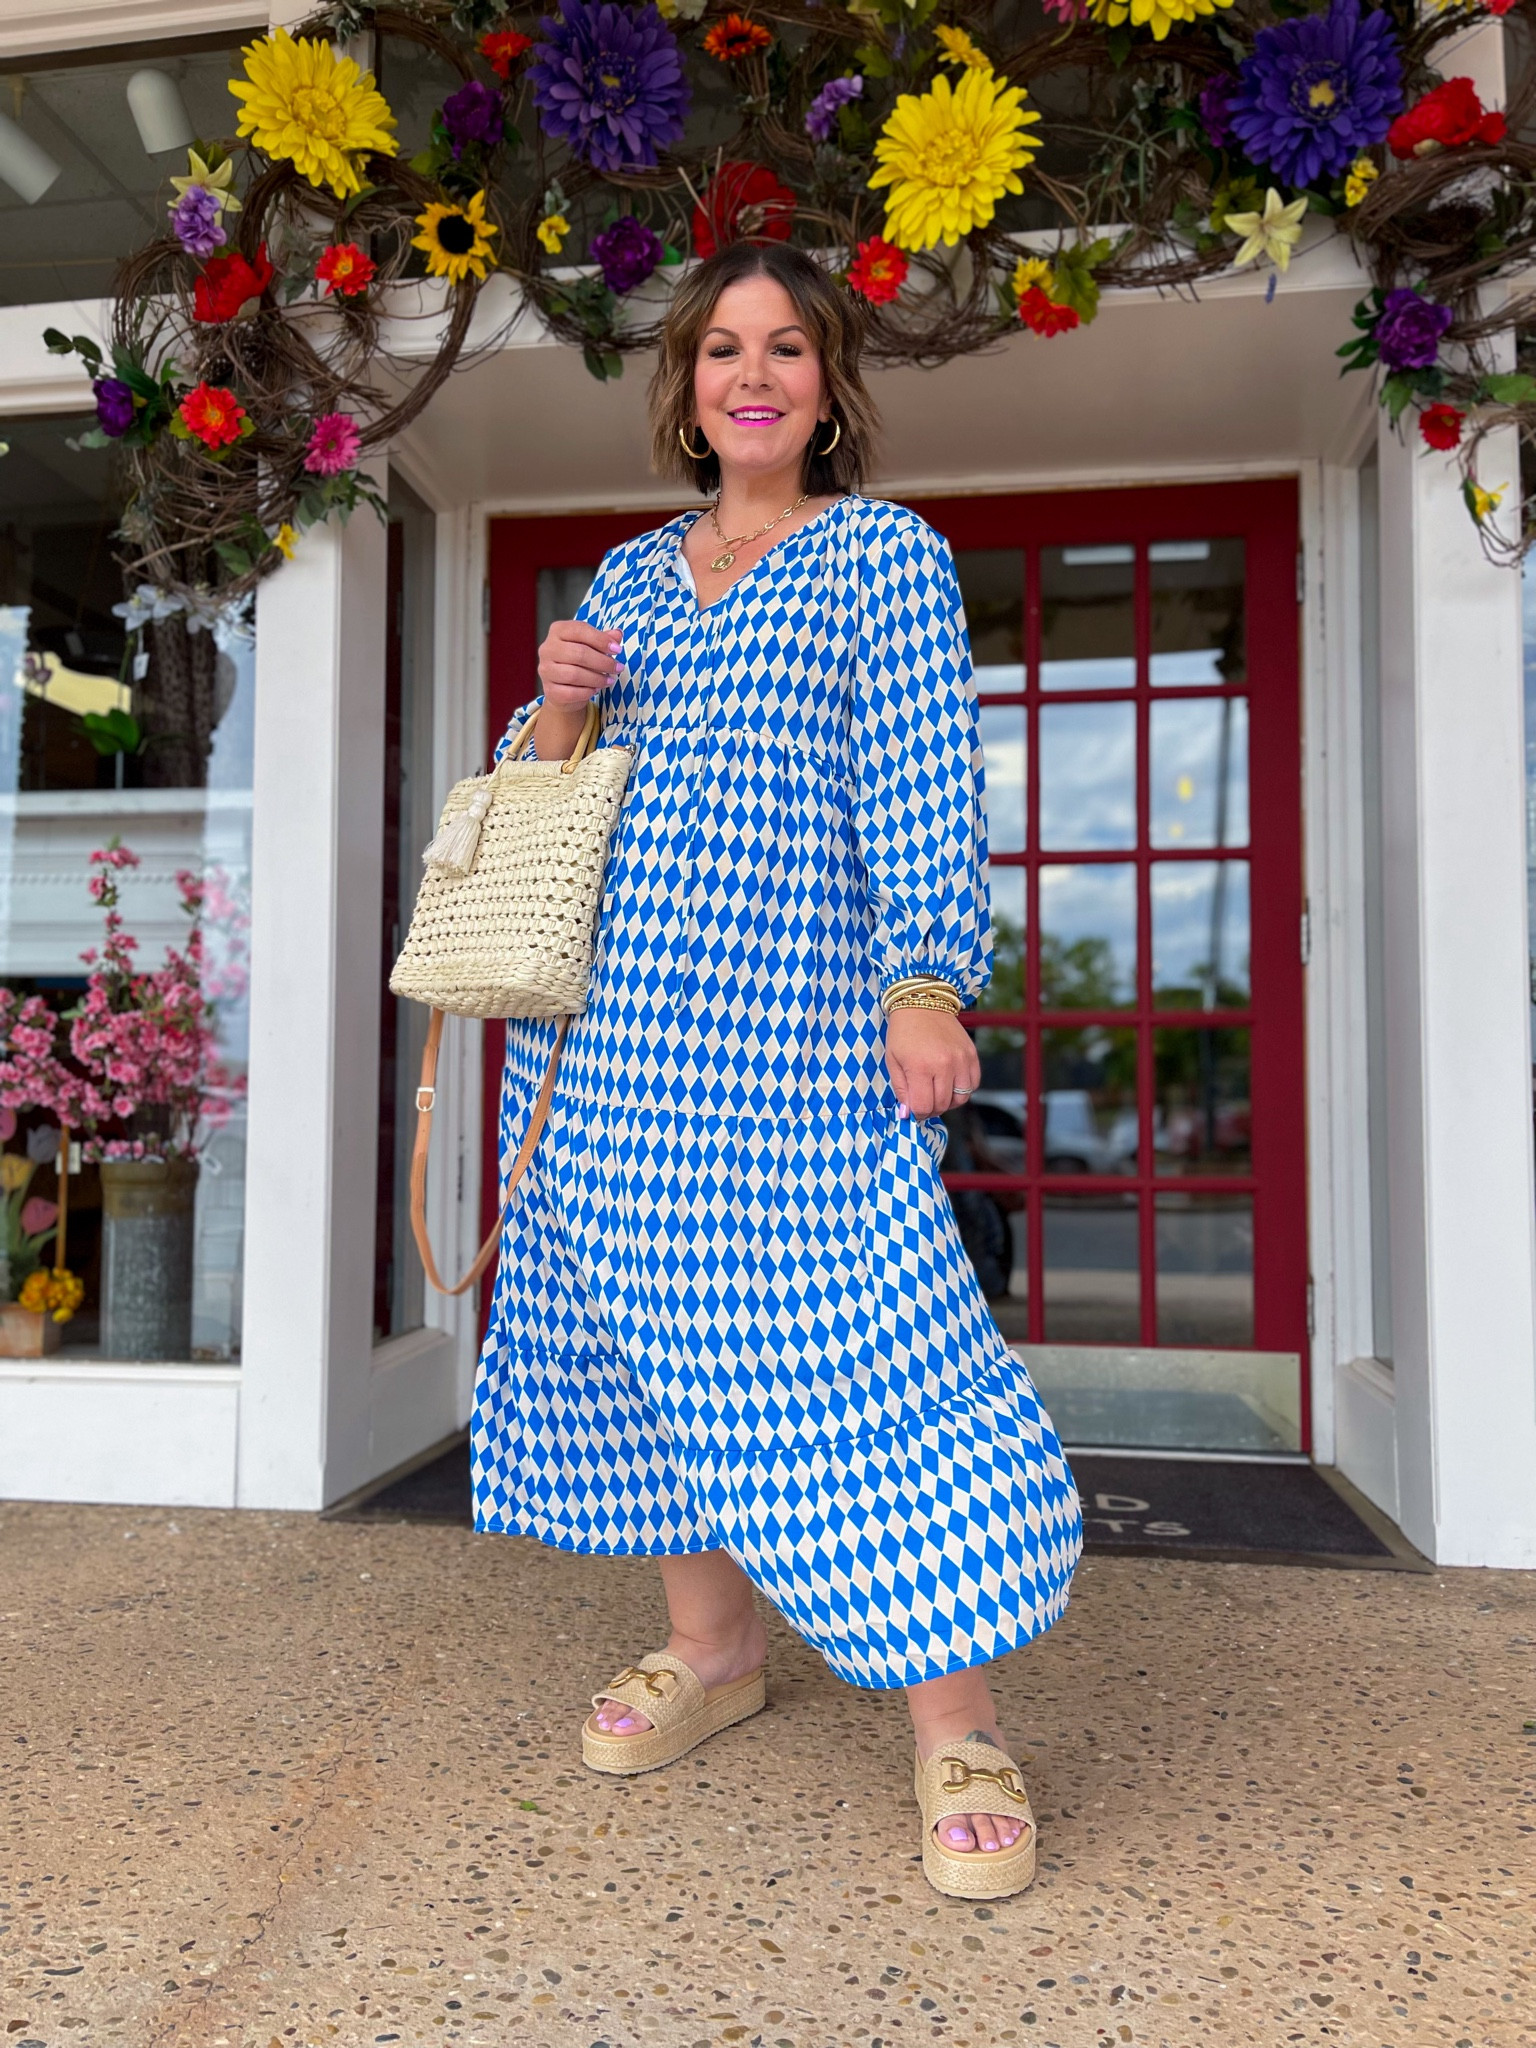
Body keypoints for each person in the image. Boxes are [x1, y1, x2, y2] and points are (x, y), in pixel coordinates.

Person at [472, 239, 1083, 1900]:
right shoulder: (621, 576)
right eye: (723, 347)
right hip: (610, 1046)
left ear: (828, 386)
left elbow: (919, 784)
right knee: (644, 1356)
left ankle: (956, 1724)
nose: (754, 372)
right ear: (682, 388)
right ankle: (716, 1652)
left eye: (788, 349)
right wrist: (553, 710)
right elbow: (551, 810)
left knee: (869, 1364)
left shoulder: (882, 555)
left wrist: (927, 982)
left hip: (798, 1045)